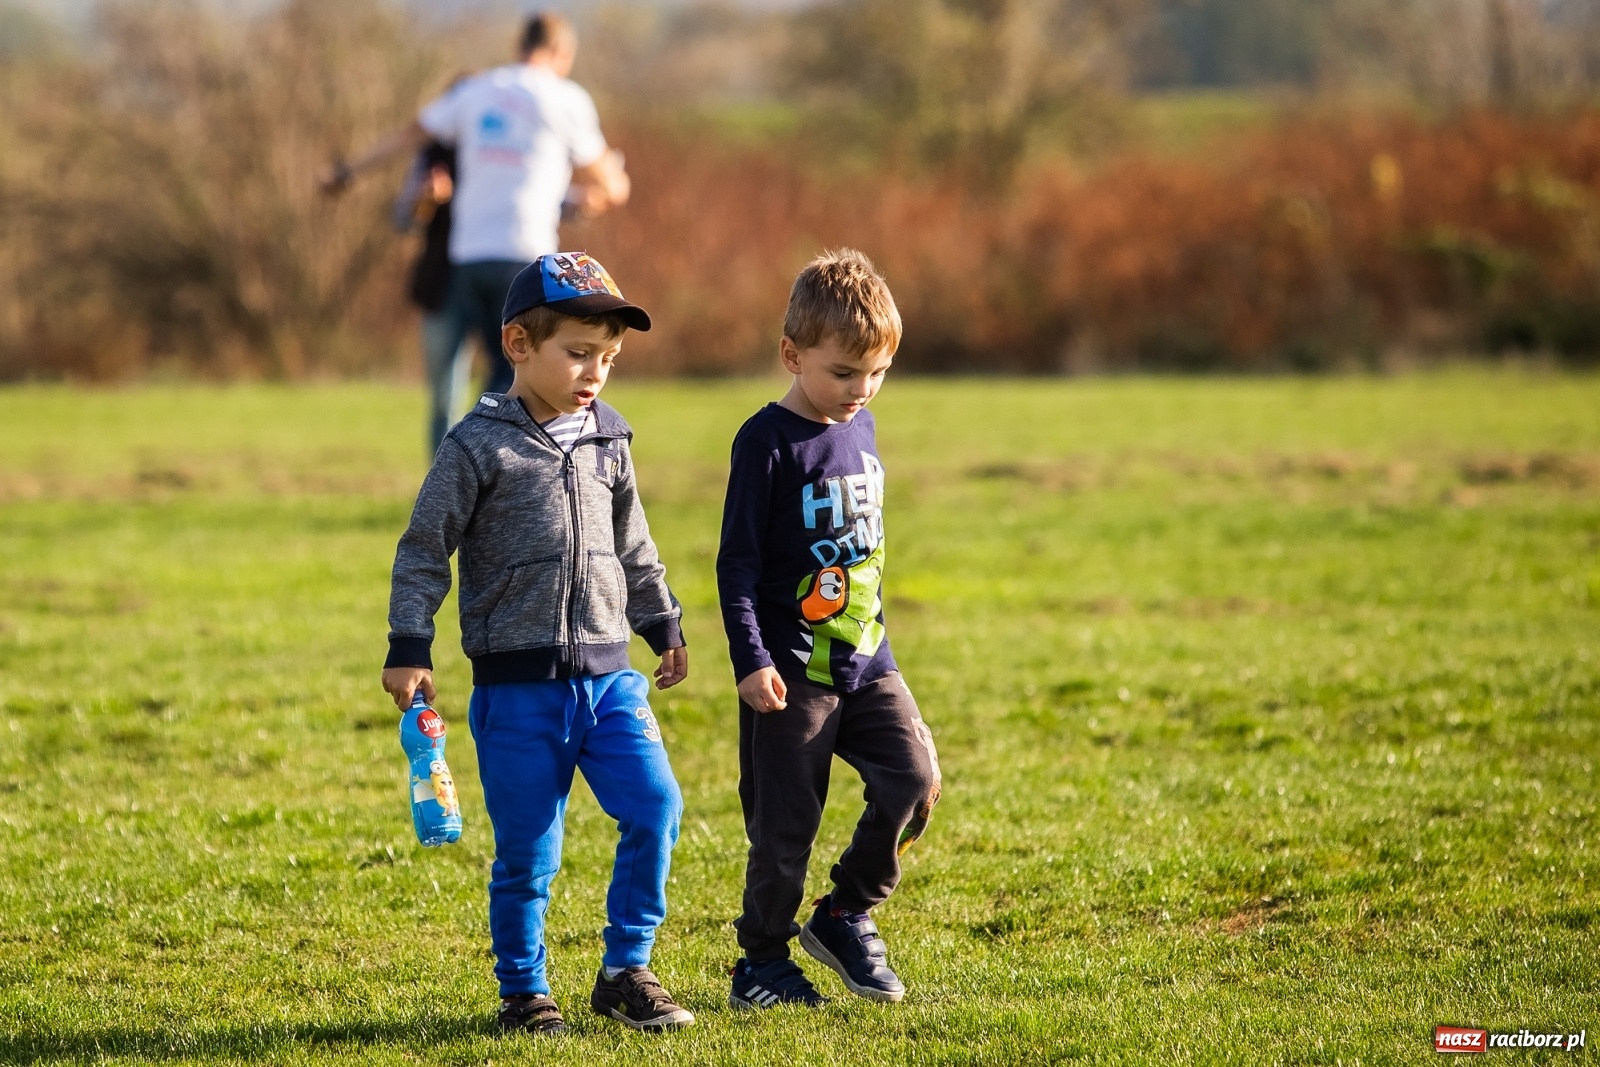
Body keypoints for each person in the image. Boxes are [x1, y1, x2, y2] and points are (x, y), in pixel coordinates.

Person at [380, 251, 694, 1034]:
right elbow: (424, 547)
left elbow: (637, 545)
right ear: (518, 343)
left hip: (610, 679)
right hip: (517, 691)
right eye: (579, 353)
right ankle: (524, 991)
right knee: (529, 850)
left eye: (609, 357)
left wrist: (663, 625)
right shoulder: (476, 445)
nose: (596, 372)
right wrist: (408, 643)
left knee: (657, 806)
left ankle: (627, 968)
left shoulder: (610, 440)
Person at [716, 249, 942, 1010]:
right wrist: (751, 661)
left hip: (870, 659)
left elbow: (865, 559)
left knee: (915, 781)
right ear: (792, 354)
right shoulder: (766, 443)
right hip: (792, 674)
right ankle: (761, 962)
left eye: (875, 373)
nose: (861, 390)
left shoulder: (865, 426)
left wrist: (888, 654)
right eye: (844, 372)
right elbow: (737, 565)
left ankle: (846, 911)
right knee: (784, 834)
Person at [320, 13, 629, 424]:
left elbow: (409, 134)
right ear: (562, 52)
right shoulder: (565, 98)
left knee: (449, 385)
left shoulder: (477, 91)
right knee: (513, 377)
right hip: (527, 259)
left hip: (467, 256)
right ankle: (496, 475)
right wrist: (607, 191)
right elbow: (608, 183)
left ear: (521, 45)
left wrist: (347, 172)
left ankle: (448, 479)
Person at [392, 137, 471, 455]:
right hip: (443, 283)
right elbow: (403, 218)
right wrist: (427, 198)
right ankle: (445, 492)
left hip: (504, 283)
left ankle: (500, 490)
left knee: (512, 390)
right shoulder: (436, 152)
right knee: (445, 395)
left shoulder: (513, 139)